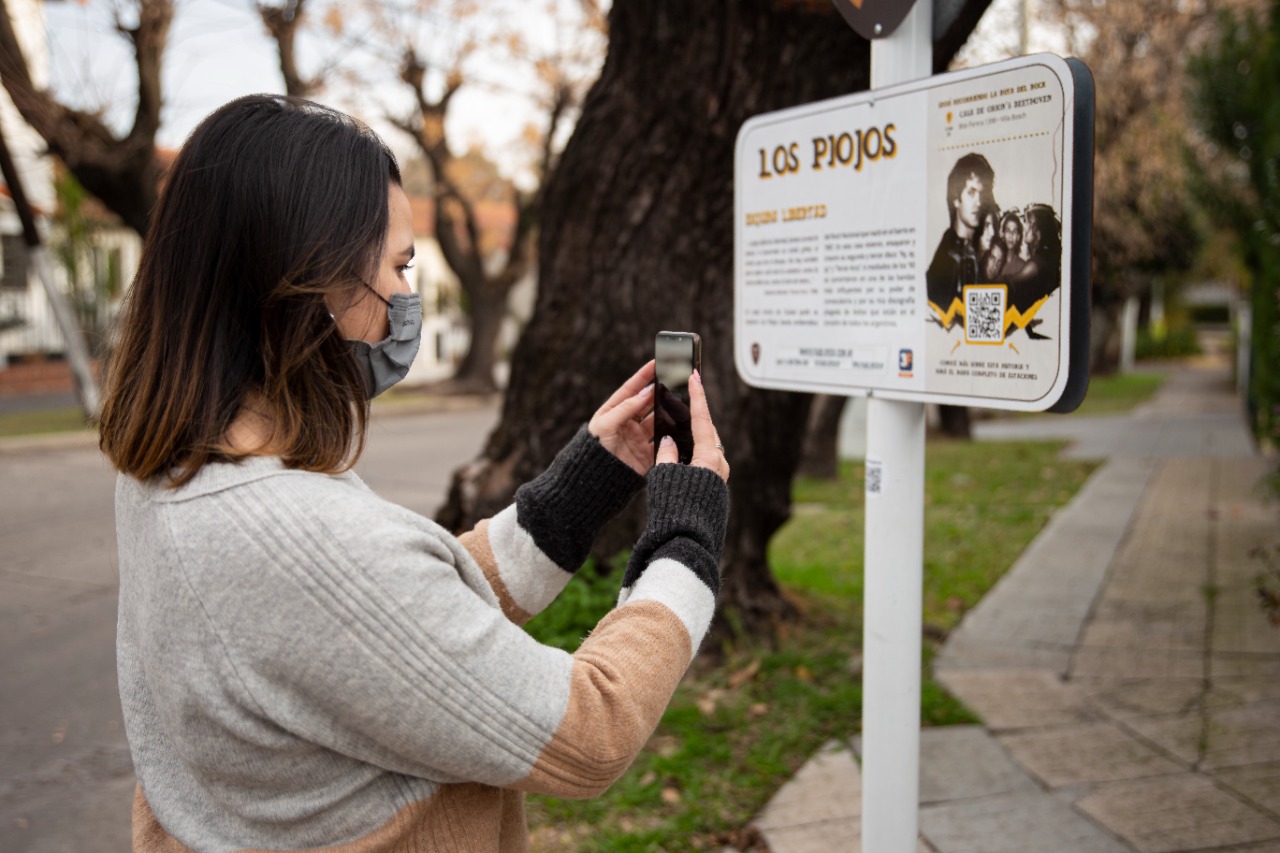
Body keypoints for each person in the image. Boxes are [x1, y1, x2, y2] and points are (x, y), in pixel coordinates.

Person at [96, 94, 731, 853]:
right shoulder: (300, 537)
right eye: (397, 266)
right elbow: (591, 730)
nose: (406, 300)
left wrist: (579, 491)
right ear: (312, 278)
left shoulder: (173, 471)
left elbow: (391, 626)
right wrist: (685, 540)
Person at [925, 152, 997, 322]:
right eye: (971, 193)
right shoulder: (948, 257)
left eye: (982, 193)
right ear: (956, 198)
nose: (979, 202)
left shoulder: (981, 247)